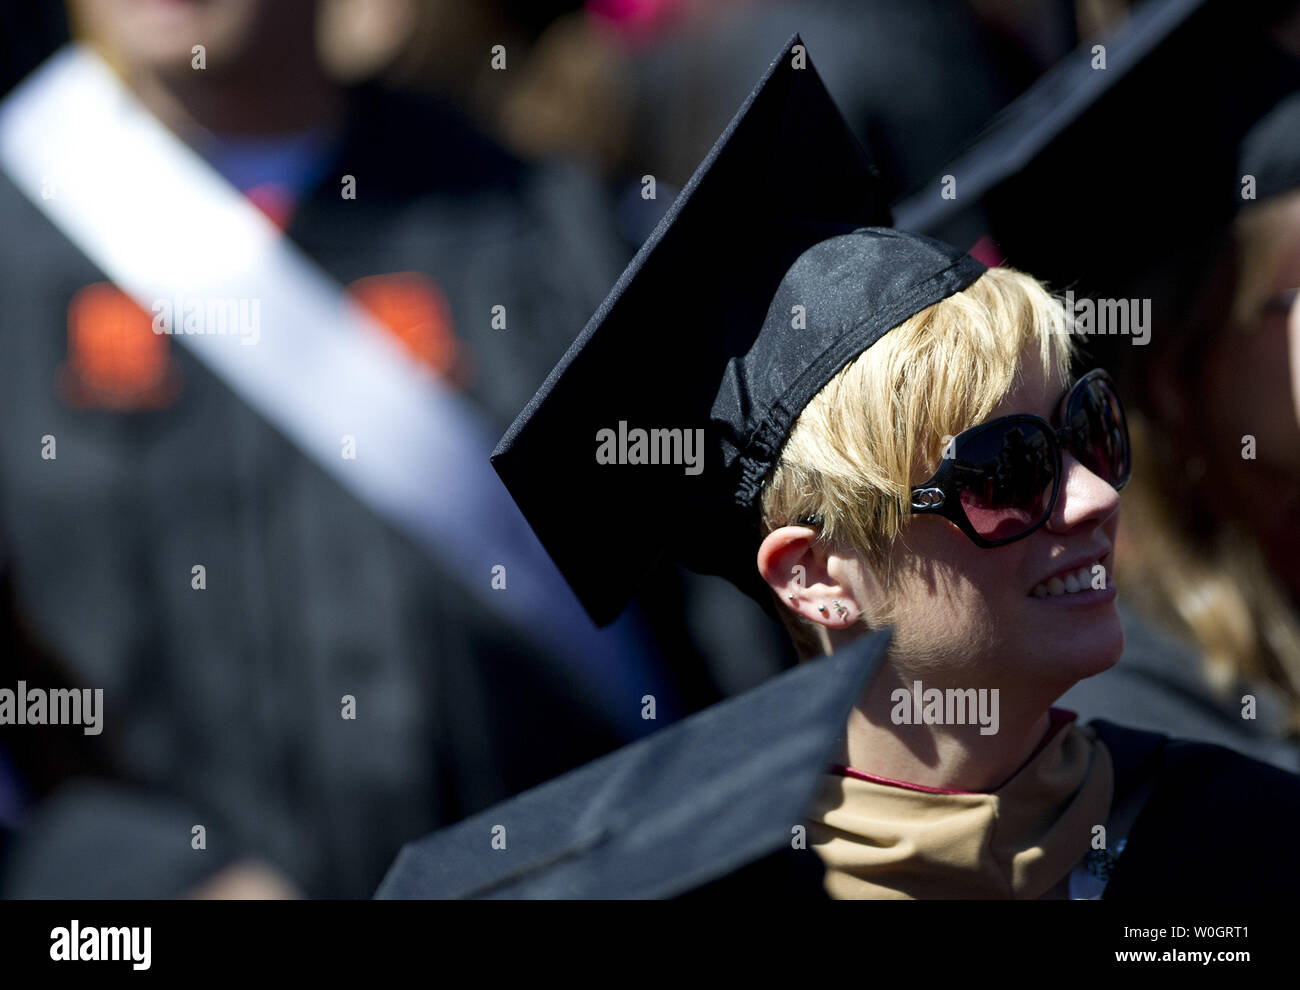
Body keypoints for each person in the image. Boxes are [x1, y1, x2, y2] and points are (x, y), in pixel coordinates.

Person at [384, 35, 1300, 899]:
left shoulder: (1244, 845)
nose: (1097, 495)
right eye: (1004, 472)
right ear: (818, 576)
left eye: (1087, 427)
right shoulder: (708, 890)